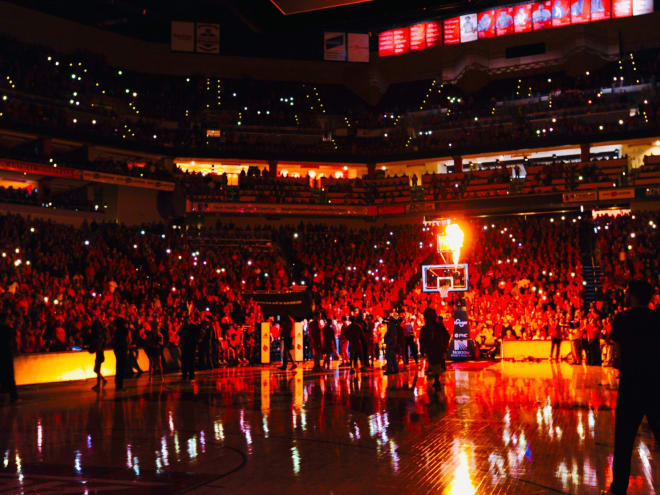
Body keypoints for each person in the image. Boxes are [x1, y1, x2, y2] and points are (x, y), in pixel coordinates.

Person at [602, 280, 660, 495]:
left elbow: (616, 352)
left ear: (632, 296)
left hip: (632, 384)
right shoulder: (657, 318)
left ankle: (618, 489)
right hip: (655, 383)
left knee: (624, 441)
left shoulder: (622, 318)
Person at [419, 308, 450, 391]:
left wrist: (444, 345)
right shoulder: (433, 327)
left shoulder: (429, 328)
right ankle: (436, 380)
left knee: (436, 363)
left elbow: (446, 336)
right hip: (434, 348)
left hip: (435, 348)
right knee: (435, 364)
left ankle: (436, 380)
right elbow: (422, 339)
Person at [0, 313, 18, 403]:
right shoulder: (9, 330)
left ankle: (3, 392)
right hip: (7, 353)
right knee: (10, 375)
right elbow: (14, 342)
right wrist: (16, 351)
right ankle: (13, 396)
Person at [180, 312, 200, 381]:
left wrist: (196, 341)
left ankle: (191, 375)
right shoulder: (182, 327)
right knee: (184, 361)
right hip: (185, 346)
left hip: (192, 346)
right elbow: (180, 335)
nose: (185, 322)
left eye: (187, 320)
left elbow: (198, 334)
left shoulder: (193, 327)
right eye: (184, 321)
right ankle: (184, 375)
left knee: (191, 361)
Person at [90, 316, 107, 391]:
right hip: (100, 353)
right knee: (97, 369)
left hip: (99, 353)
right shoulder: (101, 335)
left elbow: (98, 346)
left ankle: (99, 384)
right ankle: (102, 381)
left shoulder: (98, 337)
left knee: (97, 369)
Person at [113, 317, 129, 390]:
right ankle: (120, 385)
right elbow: (127, 339)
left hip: (117, 349)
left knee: (118, 366)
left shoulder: (116, 331)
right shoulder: (124, 330)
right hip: (122, 349)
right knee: (122, 367)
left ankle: (118, 384)